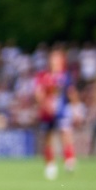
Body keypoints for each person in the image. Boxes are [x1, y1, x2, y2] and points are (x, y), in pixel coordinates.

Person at [33, 49, 78, 180]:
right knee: (47, 138)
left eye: (56, 59)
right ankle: (50, 164)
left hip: (62, 110)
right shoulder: (43, 75)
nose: (54, 61)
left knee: (65, 134)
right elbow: (38, 92)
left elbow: (71, 93)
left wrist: (76, 108)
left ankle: (69, 158)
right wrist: (44, 104)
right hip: (47, 112)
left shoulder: (65, 76)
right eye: (52, 58)